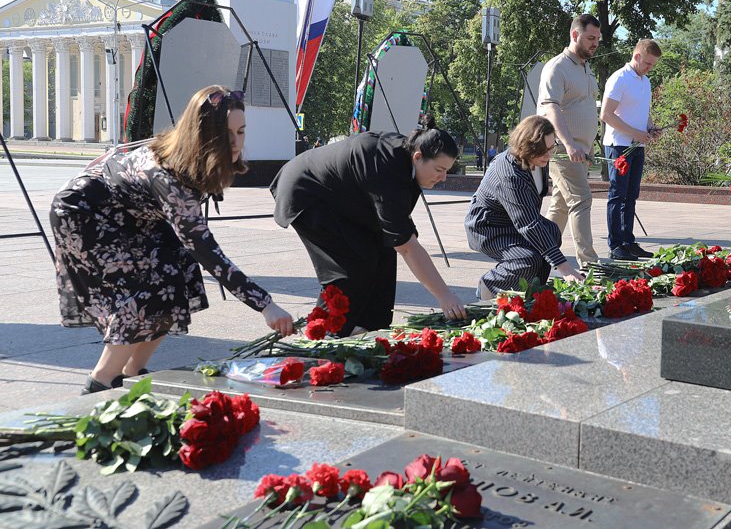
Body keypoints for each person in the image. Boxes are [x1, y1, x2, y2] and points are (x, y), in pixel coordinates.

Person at [50, 85, 295, 395]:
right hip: (84, 214)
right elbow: (206, 249)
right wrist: (265, 305)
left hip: (128, 214)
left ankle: (132, 371)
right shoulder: (171, 178)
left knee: (180, 270)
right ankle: (101, 381)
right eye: (226, 134)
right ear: (203, 135)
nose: (236, 143)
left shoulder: (187, 160)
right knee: (145, 286)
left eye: (241, 132)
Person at [271, 116, 466, 334]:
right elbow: (407, 246)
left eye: (447, 170)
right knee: (350, 267)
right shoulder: (387, 168)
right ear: (418, 157)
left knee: (383, 252)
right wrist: (444, 295)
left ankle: (371, 330)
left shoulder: (408, 161)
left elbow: (397, 236)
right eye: (439, 170)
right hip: (308, 194)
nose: (444, 178)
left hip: (343, 199)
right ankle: (323, 337)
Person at [465, 116, 584, 299]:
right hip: (488, 226)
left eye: (552, 148)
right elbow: (528, 224)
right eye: (543, 150)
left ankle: (534, 293)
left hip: (513, 220)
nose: (549, 155)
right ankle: (489, 285)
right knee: (527, 260)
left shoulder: (539, 160)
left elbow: (529, 218)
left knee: (551, 232)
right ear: (527, 146)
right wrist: (565, 268)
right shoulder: (509, 173)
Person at [537, 13, 601, 267]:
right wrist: (571, 143)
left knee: (561, 206)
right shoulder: (557, 67)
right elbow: (550, 109)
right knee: (582, 199)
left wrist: (588, 144)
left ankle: (539, 253)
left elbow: (584, 109)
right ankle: (589, 264)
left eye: (597, 38)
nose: (595, 43)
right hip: (562, 149)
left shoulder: (586, 69)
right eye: (590, 38)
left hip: (580, 151)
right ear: (575, 35)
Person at [600, 39, 662, 260]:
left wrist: (650, 127)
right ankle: (616, 245)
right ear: (636, 56)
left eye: (653, 65)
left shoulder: (645, 81)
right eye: (647, 63)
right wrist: (634, 133)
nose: (650, 68)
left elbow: (643, 112)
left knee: (632, 195)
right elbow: (606, 115)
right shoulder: (619, 78)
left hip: (638, 145)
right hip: (619, 145)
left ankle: (628, 241)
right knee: (617, 195)